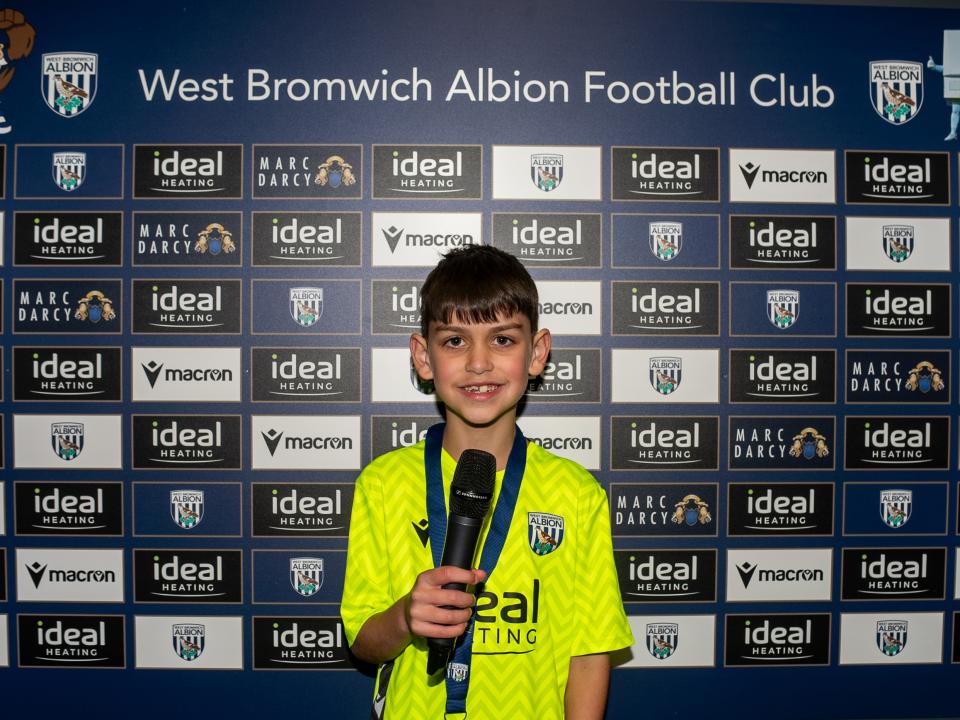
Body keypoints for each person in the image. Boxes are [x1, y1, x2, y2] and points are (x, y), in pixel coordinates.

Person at [341, 245, 633, 719]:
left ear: (537, 353)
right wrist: (405, 617)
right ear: (423, 357)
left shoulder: (576, 493)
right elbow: (363, 643)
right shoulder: (383, 484)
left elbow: (589, 656)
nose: (479, 362)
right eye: (455, 340)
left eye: (502, 339)